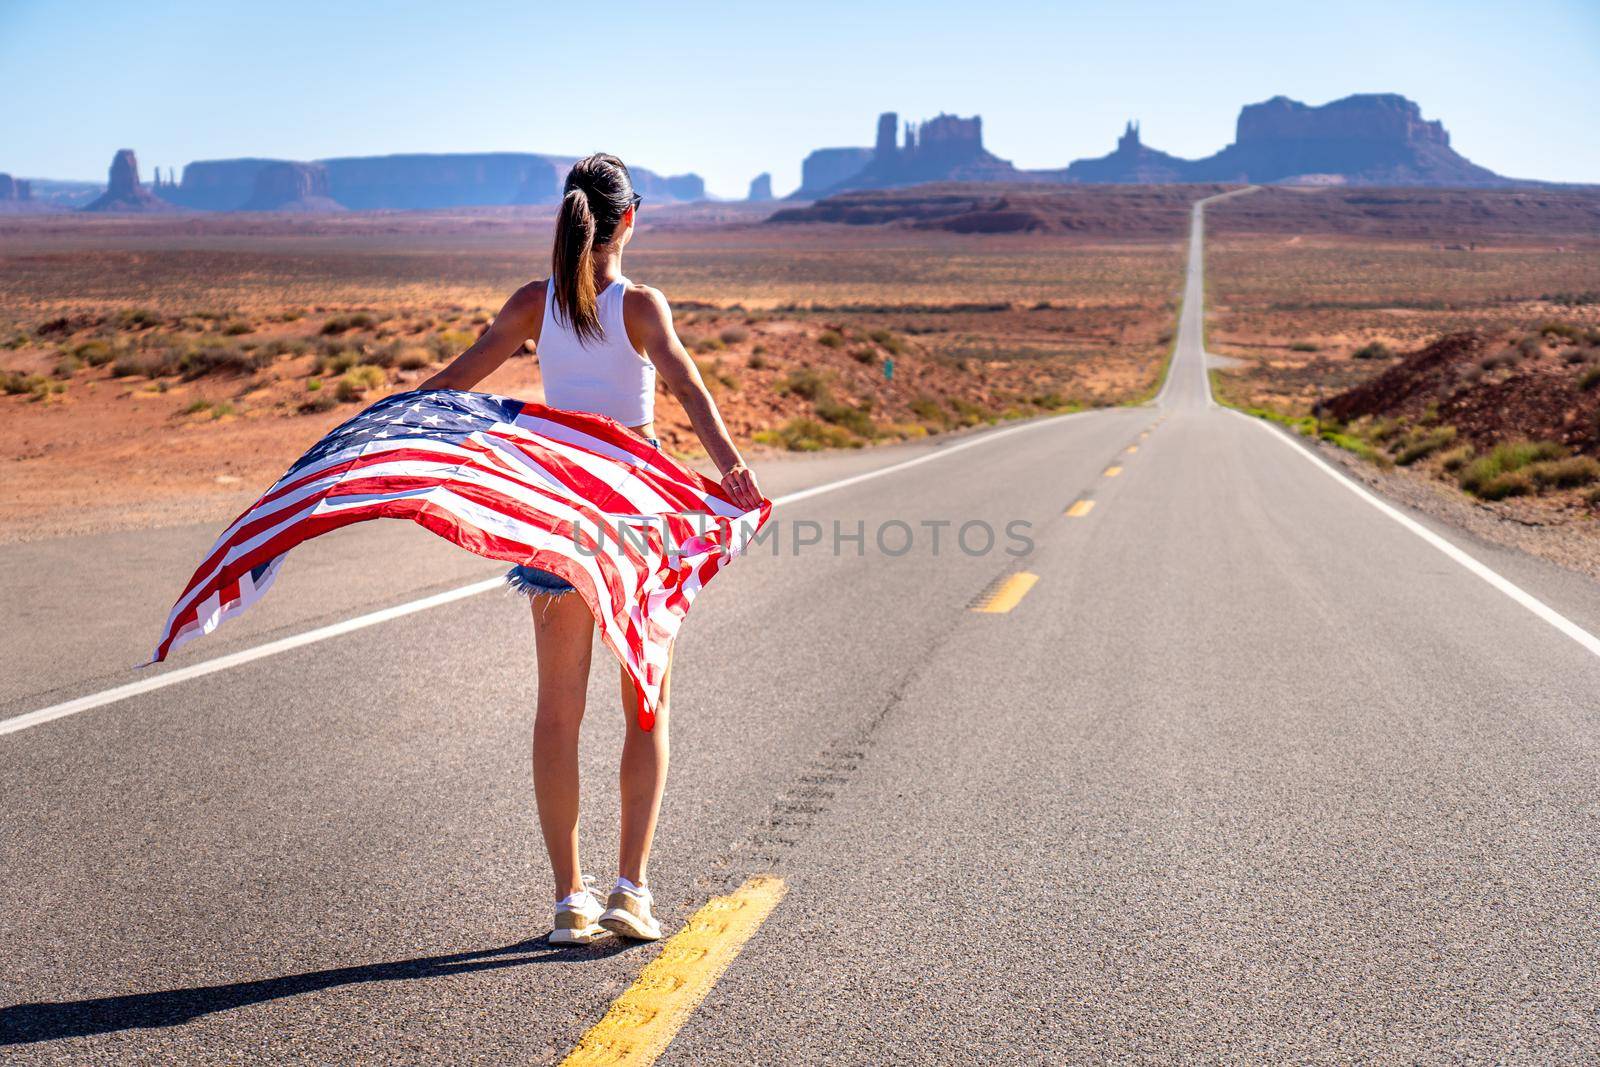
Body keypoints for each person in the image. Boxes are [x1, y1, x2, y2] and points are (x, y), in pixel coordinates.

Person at [420, 154, 763, 945]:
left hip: (558, 515)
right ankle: (630, 890)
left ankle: (569, 899)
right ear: (630, 220)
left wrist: (390, 422)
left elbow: (455, 382)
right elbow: (688, 389)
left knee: (557, 711)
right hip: (634, 523)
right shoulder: (641, 306)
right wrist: (731, 470)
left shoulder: (533, 304)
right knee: (646, 702)